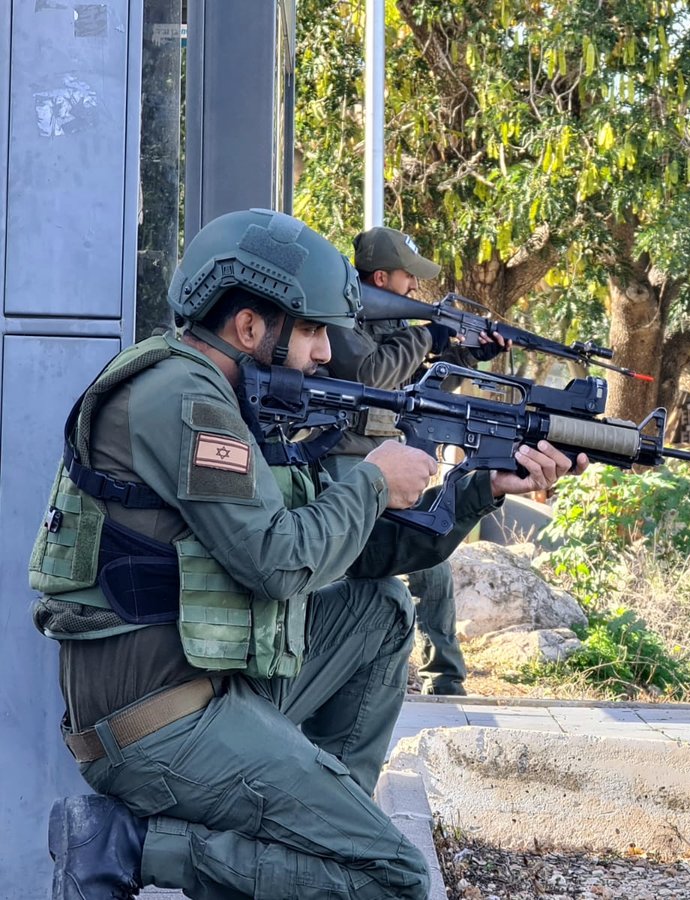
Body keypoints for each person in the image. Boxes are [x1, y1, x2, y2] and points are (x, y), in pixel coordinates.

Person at [30, 209, 583, 900]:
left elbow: (359, 554)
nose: (326, 352)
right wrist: (376, 479)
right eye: (316, 329)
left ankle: (317, 848)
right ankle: (130, 846)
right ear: (251, 327)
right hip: (157, 723)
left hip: (213, 684)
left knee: (380, 612)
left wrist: (479, 491)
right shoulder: (182, 399)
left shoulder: (234, 401)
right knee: (395, 877)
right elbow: (278, 562)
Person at [323, 225, 508, 696]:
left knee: (434, 566)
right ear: (381, 279)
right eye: (409, 277)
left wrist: (463, 355)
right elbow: (371, 376)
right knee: (354, 567)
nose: (415, 286)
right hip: (343, 460)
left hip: (387, 457)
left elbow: (416, 398)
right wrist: (427, 340)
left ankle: (445, 679)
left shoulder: (397, 327)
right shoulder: (342, 320)